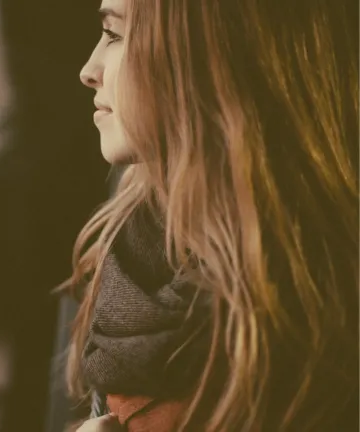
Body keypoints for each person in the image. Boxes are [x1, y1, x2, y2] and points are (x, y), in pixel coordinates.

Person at [61, 0, 359, 430]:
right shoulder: (129, 245)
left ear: (215, 52)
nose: (89, 70)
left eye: (115, 34)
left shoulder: (318, 315)